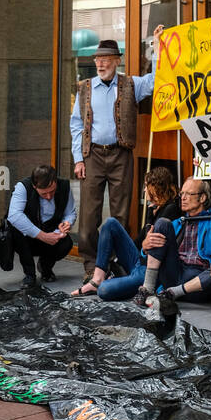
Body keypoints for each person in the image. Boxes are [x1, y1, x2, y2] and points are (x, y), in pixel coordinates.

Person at [69, 26, 162, 278]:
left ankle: (116, 261)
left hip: (121, 154)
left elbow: (155, 81)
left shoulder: (131, 84)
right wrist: (78, 158)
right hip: (93, 155)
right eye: (98, 59)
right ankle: (91, 264)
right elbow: (76, 125)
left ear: (116, 61)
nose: (100, 63)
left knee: (121, 213)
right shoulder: (85, 88)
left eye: (106, 59)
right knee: (89, 214)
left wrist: (157, 47)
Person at [70, 165, 181, 301]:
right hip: (139, 261)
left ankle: (118, 282)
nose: (145, 190)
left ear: (157, 187)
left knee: (105, 290)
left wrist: (143, 248)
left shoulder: (171, 210)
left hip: (148, 271)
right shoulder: (154, 208)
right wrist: (129, 250)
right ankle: (97, 279)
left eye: (147, 186)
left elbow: (157, 247)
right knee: (111, 223)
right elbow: (139, 241)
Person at [133, 176, 211, 309]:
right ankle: (147, 289)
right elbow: (152, 256)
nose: (183, 198)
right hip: (175, 274)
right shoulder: (178, 222)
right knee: (162, 223)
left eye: (188, 194)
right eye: (182, 194)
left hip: (199, 283)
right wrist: (145, 248)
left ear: (202, 198)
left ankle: (173, 293)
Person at [8, 164, 76, 288]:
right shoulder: (23, 187)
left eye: (52, 192)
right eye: (44, 194)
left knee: (66, 244)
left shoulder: (65, 186)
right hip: (28, 236)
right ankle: (29, 275)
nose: (49, 196)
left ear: (55, 182)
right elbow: (14, 215)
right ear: (35, 187)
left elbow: (70, 213)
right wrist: (42, 235)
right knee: (16, 230)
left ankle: (45, 268)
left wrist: (67, 223)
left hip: (52, 231)